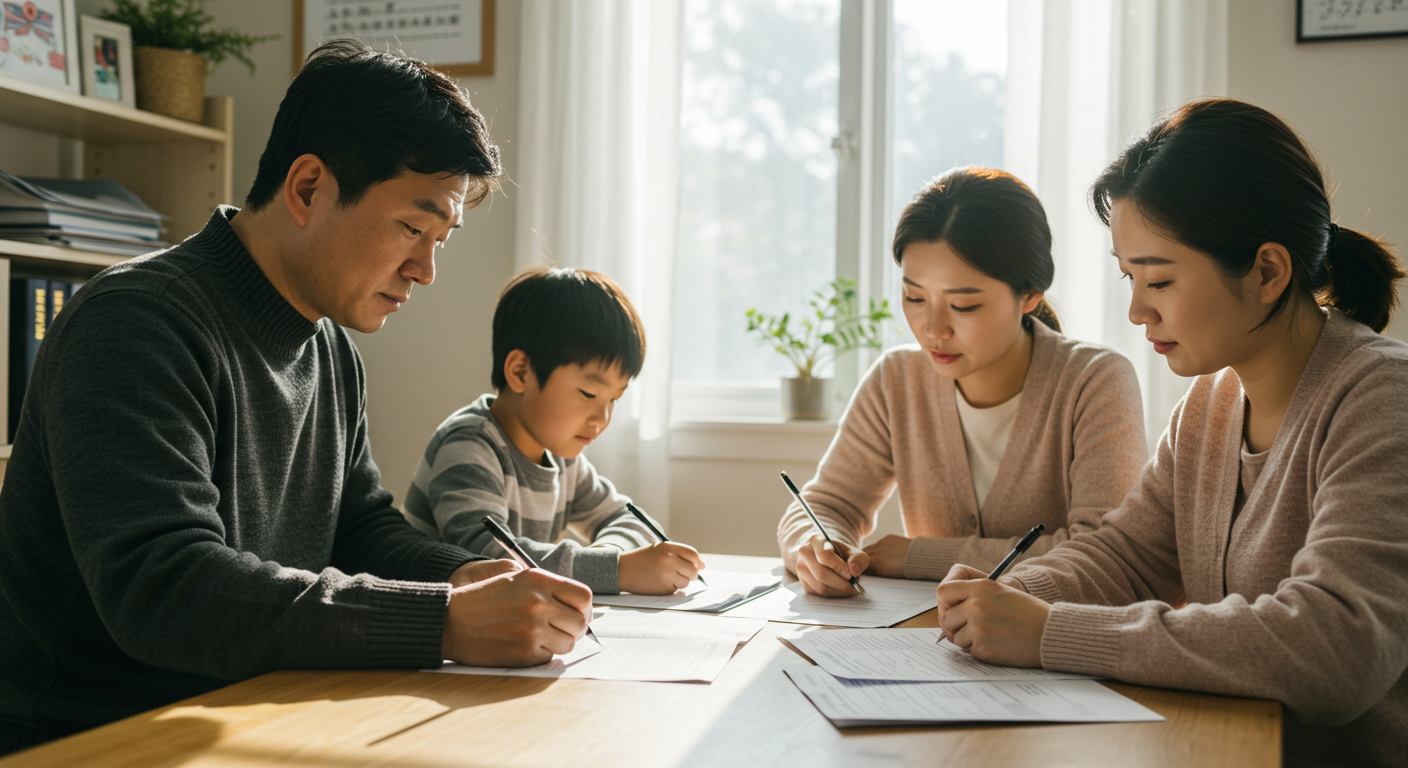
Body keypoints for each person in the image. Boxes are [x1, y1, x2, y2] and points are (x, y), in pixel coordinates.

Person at [0, 40, 592, 757]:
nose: (425, 270)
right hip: (98, 737)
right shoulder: (134, 322)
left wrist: (464, 576)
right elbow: (164, 590)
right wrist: (444, 619)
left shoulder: (329, 349)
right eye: (413, 226)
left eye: (441, 238)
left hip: (254, 709)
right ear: (308, 187)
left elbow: (359, 528)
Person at [934, 99, 1408, 766]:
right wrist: (1016, 596)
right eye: (1129, 277)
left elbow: (1337, 648)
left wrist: (1049, 631)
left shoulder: (1384, 397)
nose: (1135, 309)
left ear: (1268, 272)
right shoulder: (1211, 404)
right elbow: (1128, 556)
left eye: (1158, 279)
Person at [778, 167, 1148, 597]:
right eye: (914, 297)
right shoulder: (896, 380)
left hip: (1056, 650)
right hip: (931, 642)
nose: (933, 328)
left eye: (964, 305)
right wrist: (817, 545)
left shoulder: (1095, 380)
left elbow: (1101, 554)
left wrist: (920, 556)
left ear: (1029, 295)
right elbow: (826, 505)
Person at [403, 267, 705, 595]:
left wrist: (610, 557)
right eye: (589, 394)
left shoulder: (561, 457)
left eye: (614, 399)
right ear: (521, 372)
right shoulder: (468, 446)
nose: (602, 418)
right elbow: (493, 561)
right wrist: (617, 571)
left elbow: (629, 519)